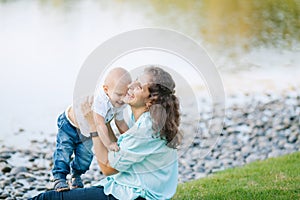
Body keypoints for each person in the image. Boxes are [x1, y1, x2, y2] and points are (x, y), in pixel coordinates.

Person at [30, 66, 181, 200]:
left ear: (150, 101)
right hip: (144, 189)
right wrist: (103, 117)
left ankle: (69, 176)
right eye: (135, 80)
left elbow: (108, 168)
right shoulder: (152, 121)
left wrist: (93, 124)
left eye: (139, 86)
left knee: (49, 198)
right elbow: (121, 149)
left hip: (135, 194)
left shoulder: (144, 129)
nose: (131, 86)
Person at [52, 67, 132, 192]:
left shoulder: (120, 103)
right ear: (106, 89)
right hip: (70, 125)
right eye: (118, 94)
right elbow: (100, 124)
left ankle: (76, 175)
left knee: (85, 157)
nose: (122, 99)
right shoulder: (101, 100)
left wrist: (131, 138)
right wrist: (109, 144)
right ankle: (59, 177)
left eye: (125, 94)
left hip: (87, 132)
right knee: (64, 150)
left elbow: (120, 123)